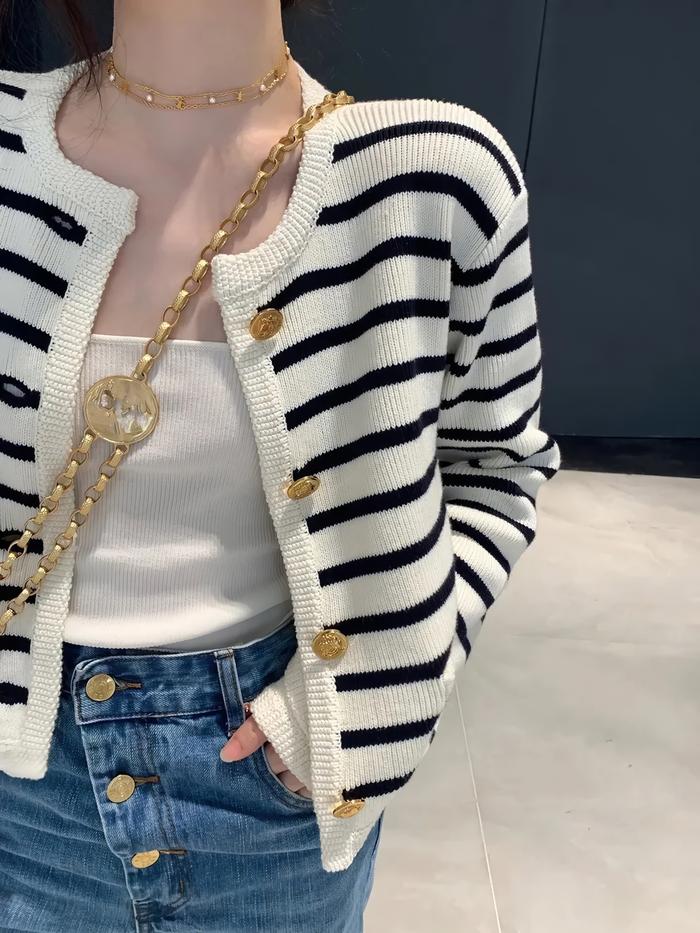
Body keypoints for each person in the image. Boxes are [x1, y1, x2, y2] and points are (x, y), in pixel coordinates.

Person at [0, 0, 562, 930]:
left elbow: (496, 468)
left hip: (273, 805)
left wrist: (364, 694)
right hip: (18, 791)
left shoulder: (431, 178)